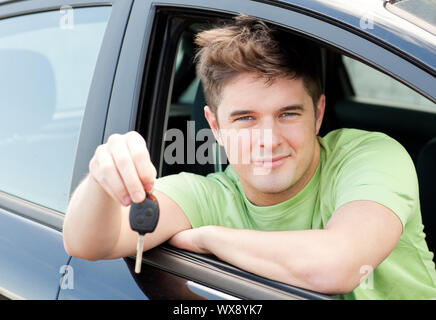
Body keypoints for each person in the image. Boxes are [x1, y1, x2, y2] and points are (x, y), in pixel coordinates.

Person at [63, 15, 436, 299]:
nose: (268, 140)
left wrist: (210, 239)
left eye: (288, 114)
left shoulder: (369, 156)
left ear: (318, 114)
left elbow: (338, 265)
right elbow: (87, 242)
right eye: (245, 118)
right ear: (216, 125)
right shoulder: (207, 194)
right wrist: (100, 178)